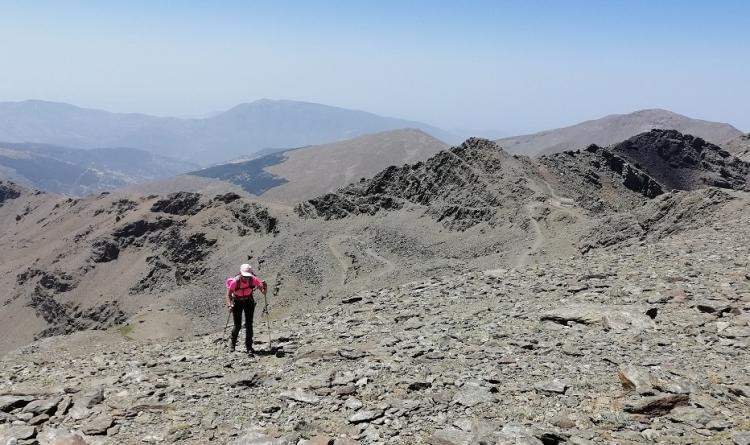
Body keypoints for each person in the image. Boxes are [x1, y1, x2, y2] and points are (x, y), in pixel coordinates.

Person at [225, 263, 267, 354]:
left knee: (249, 324)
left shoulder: (253, 280)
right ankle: (232, 344)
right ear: (240, 273)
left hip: (249, 301)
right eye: (244, 276)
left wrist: (265, 287)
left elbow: (263, 292)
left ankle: (249, 347)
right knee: (237, 325)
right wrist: (229, 305)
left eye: (248, 276)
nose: (246, 278)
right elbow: (228, 295)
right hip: (237, 302)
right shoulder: (235, 282)